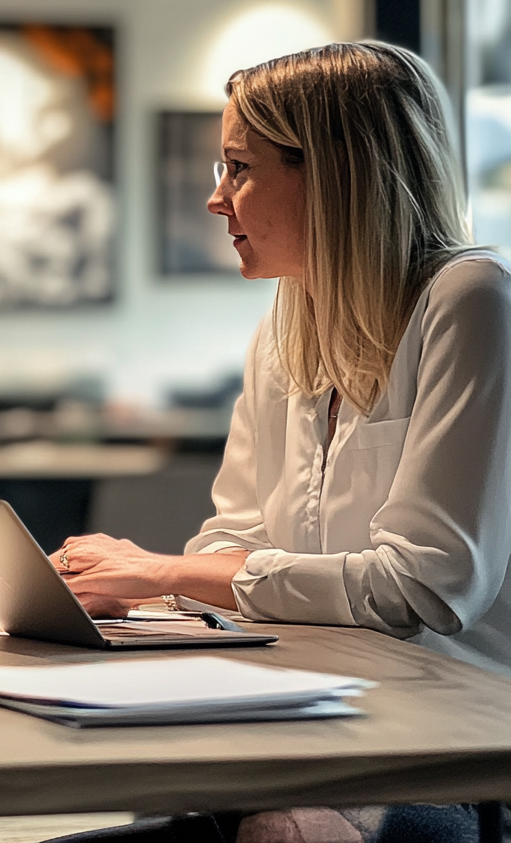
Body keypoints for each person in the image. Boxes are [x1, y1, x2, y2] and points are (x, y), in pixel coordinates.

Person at [47, 42, 511, 843]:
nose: (214, 199)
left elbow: (427, 587)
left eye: (239, 168)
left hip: (444, 750)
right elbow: (235, 538)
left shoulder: (471, 301)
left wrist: (165, 571)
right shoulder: (288, 326)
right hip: (305, 717)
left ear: (335, 173)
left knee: (274, 827)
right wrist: (147, 597)